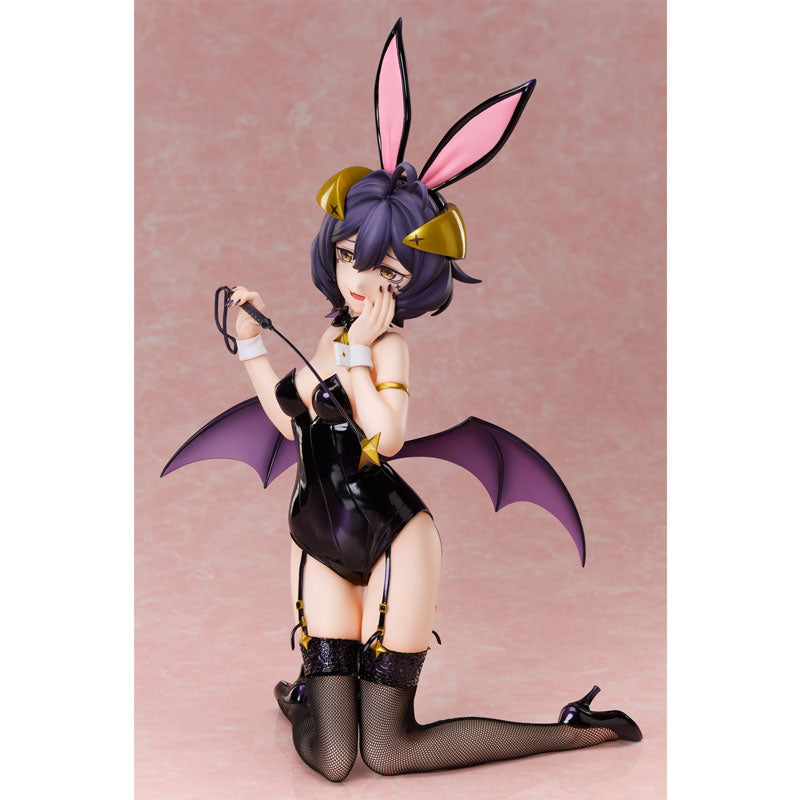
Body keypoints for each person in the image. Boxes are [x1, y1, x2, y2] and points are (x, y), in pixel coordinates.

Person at [167, 19, 642, 783]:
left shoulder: (385, 347)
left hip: (393, 539)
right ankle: (305, 700)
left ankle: (576, 732)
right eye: (350, 256)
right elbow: (290, 422)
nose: (361, 279)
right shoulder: (331, 334)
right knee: (333, 759)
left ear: (411, 281)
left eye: (385, 270)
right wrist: (251, 344)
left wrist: (359, 356)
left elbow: (384, 437)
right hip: (315, 531)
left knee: (387, 752)